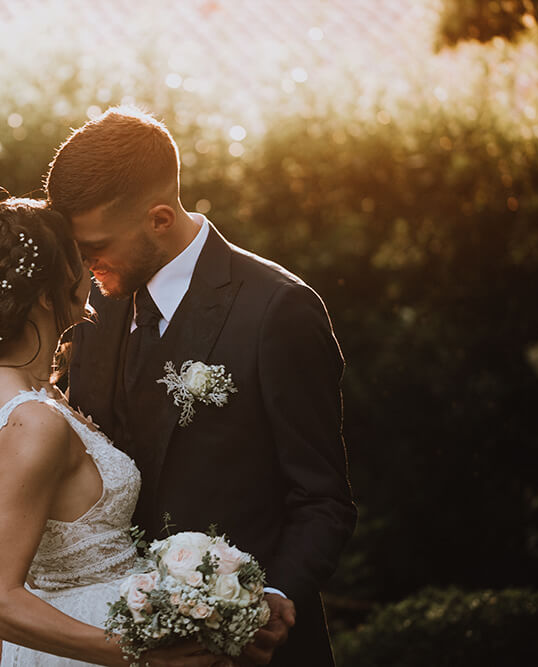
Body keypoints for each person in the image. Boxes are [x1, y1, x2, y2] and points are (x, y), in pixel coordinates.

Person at [35, 107, 356, 667]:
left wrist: (272, 600)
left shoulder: (277, 311)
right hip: (111, 641)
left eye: (95, 247)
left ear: (160, 218)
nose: (84, 268)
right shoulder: (94, 308)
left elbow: (322, 499)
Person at [0, 198, 224, 666]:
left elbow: (21, 521)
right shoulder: (34, 423)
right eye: (78, 262)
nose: (90, 270)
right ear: (49, 295)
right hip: (89, 645)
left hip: (51, 632)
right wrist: (144, 657)